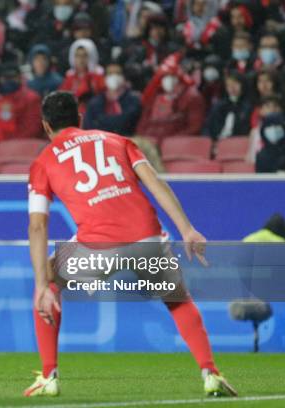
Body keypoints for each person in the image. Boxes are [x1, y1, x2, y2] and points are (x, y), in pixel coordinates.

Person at [24, 91, 237, 398]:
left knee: (48, 280)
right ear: (80, 118)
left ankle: (49, 375)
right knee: (177, 299)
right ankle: (210, 373)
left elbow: (37, 224)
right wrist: (187, 229)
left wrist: (42, 284)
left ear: (45, 126)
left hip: (96, 247)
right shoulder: (117, 140)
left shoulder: (43, 162)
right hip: (146, 237)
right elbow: (155, 183)